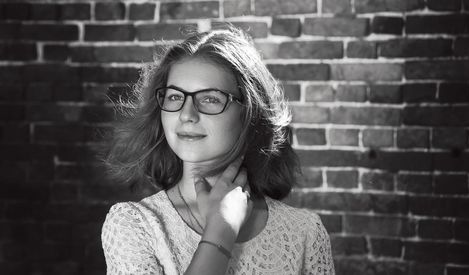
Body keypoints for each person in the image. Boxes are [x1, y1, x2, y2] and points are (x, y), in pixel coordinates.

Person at [100, 26, 334, 275]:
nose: (187, 115)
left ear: (250, 112)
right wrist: (221, 229)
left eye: (210, 98)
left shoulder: (305, 232)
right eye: (175, 97)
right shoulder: (134, 225)